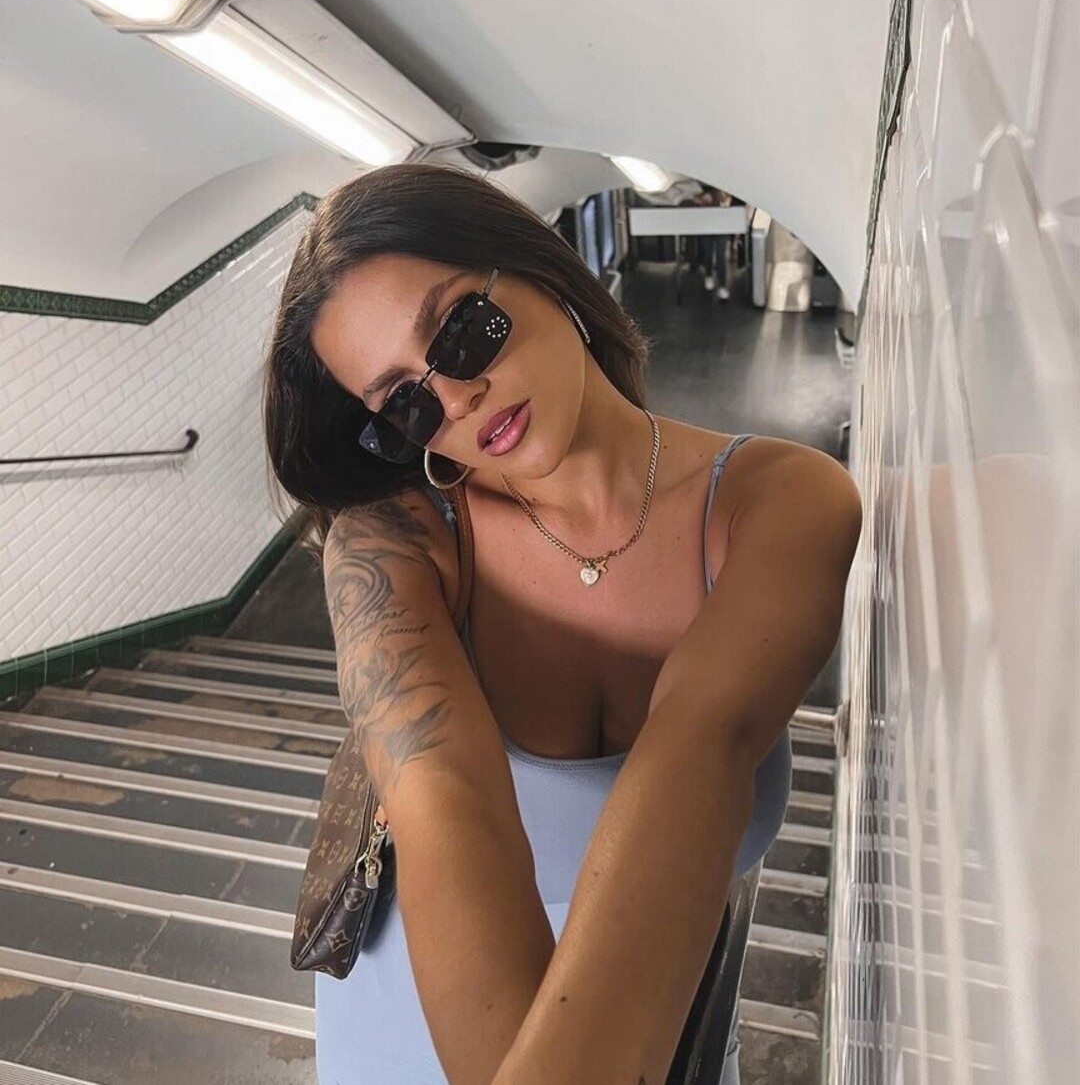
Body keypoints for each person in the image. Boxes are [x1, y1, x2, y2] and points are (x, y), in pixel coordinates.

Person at [263, 162, 861, 1084]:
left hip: (661, 1017)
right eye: (406, 402)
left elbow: (700, 753)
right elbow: (439, 793)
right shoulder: (393, 543)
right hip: (413, 1023)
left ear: (536, 265)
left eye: (461, 330)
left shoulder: (781, 502)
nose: (455, 397)